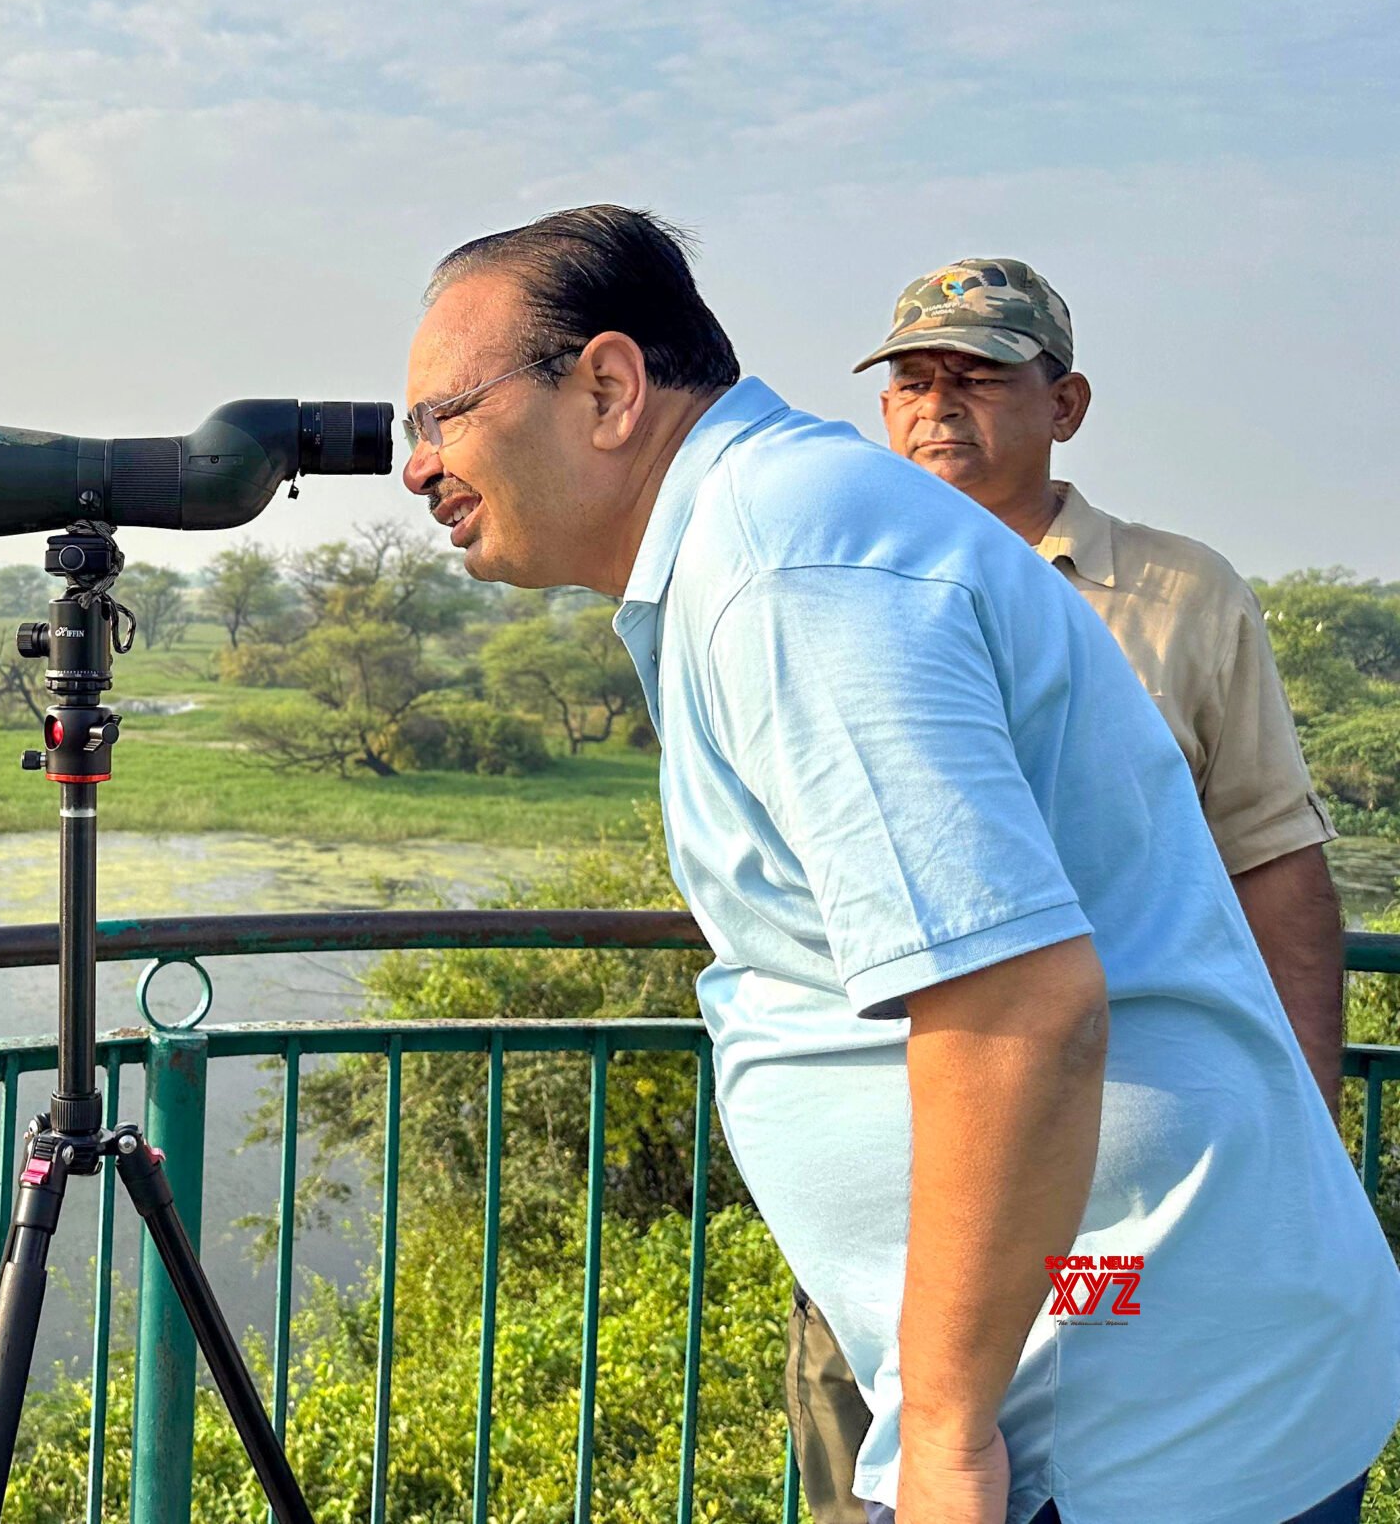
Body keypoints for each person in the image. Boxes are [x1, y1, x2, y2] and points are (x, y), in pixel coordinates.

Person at [398, 205, 1396, 1524]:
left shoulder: (787, 562)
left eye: (442, 416)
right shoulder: (775, 533)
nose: (415, 469)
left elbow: (1015, 1007)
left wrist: (944, 1436)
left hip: (1111, 1410)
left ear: (609, 386)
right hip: (1112, 1362)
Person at [777, 259, 1355, 1523]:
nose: (938, 409)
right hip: (896, 1148)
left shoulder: (1175, 595)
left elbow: (1272, 858)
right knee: (875, 1461)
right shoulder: (831, 593)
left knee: (1130, 1439)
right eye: (913, 382)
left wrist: (1303, 1131)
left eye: (978, 377)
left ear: (1065, 402)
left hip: (1121, 1158)